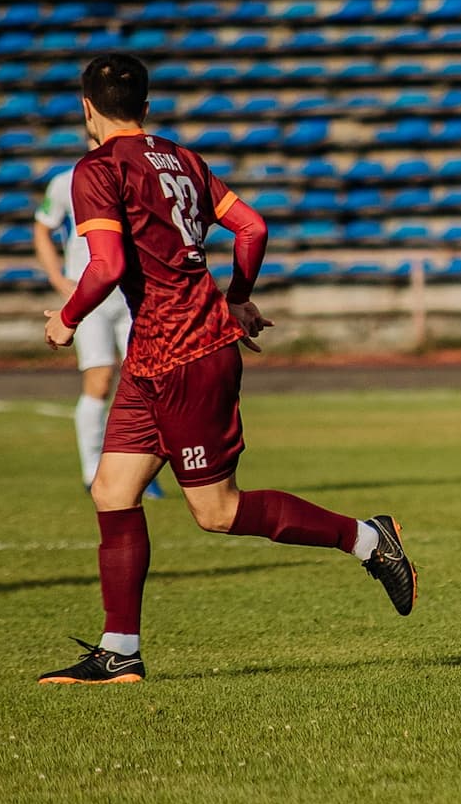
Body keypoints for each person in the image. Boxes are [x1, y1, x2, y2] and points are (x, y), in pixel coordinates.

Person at [36, 53, 419, 685]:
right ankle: (119, 650)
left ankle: (368, 539)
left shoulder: (97, 170)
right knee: (112, 491)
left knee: (216, 512)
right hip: (153, 355)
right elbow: (252, 226)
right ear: (147, 107)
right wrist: (238, 294)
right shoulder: (182, 159)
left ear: (86, 108)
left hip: (188, 351)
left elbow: (102, 267)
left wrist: (68, 318)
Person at [33, 162, 160, 497]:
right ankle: (93, 471)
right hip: (90, 293)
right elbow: (42, 227)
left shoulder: (135, 174)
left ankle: (141, 468)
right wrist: (58, 277)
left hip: (134, 291)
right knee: (100, 380)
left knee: (147, 381)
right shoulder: (66, 181)